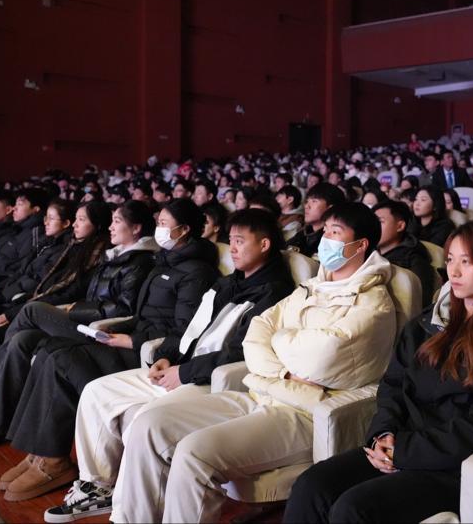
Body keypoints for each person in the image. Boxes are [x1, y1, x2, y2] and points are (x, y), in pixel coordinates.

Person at [108, 202, 397, 523]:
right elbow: (256, 334)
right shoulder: (312, 287)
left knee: (194, 454)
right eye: (325, 231)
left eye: (335, 232)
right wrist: (283, 370)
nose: (325, 239)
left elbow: (321, 357)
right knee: (149, 425)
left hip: (304, 410)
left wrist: (277, 342)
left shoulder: (373, 303)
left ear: (360, 245)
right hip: (260, 392)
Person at [44, 208, 295, 522]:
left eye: (240, 241)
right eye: (230, 240)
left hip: (214, 380)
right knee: (96, 392)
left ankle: (133, 515)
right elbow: (191, 328)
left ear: (265, 244)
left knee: (145, 422)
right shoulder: (229, 282)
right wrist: (167, 356)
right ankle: (98, 487)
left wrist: (184, 372)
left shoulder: (275, 293)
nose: (231, 248)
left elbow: (240, 353)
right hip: (183, 367)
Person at [284, 219, 473, 524]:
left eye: (467, 262)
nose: (454, 272)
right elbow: (393, 384)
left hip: (449, 466)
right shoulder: (430, 322)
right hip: (398, 442)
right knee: (311, 485)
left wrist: (404, 451)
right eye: (450, 260)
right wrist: (383, 434)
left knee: (353, 509)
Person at [0, 199, 219, 501]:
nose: (159, 229)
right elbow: (140, 314)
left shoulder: (197, 272)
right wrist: (115, 329)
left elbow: (183, 331)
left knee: (61, 360)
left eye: (164, 224)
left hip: (147, 355)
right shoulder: (164, 262)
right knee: (47, 348)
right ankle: (39, 452)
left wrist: (130, 340)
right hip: (129, 339)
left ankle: (54, 461)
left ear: (184, 229)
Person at [0, 202, 111, 360]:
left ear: (98, 225)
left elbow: (66, 294)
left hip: (61, 312)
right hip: (37, 302)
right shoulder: (72, 247)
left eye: (81, 219)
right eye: (76, 219)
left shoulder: (95, 257)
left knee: (3, 334)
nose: (75, 224)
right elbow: (43, 285)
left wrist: (10, 309)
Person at [374, 200, 435, 304]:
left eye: (380, 222)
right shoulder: (367, 251)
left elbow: (420, 302)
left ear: (400, 226)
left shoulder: (414, 259)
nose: (374, 227)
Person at [0, 188, 50, 283]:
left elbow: (22, 269)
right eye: (16, 204)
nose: (14, 208)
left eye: (20, 204)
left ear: (35, 210)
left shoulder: (34, 233)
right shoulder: (16, 228)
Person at [287, 183, 346, 257]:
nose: (306, 206)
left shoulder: (335, 242)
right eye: (307, 201)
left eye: (314, 201)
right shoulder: (302, 235)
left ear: (330, 209)